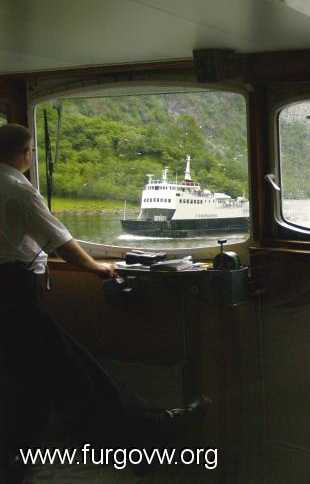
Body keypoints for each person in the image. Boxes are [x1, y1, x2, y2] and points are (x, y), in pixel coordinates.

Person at [0, 124, 209, 482]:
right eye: (31, 152)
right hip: (12, 292)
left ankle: (22, 464)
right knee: (68, 368)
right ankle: (146, 431)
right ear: (25, 153)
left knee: (34, 381)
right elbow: (61, 241)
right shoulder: (17, 189)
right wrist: (97, 267)